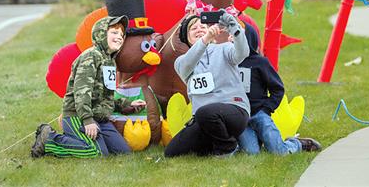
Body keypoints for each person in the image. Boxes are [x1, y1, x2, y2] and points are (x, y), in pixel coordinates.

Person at [31, 16, 145, 158]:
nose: (120, 37)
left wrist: (127, 104)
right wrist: (87, 120)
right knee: (96, 152)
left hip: (100, 118)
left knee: (123, 152)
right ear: (101, 33)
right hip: (78, 115)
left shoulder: (110, 62)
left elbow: (105, 96)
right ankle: (49, 140)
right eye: (114, 32)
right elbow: (81, 91)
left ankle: (78, 139)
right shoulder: (91, 56)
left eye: (122, 34)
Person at [165, 12, 250, 157]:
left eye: (202, 26)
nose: (198, 29)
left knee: (205, 112)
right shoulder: (181, 61)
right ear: (187, 38)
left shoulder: (225, 48)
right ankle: (215, 144)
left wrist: (234, 27)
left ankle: (228, 147)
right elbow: (187, 66)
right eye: (193, 28)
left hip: (234, 111)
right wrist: (205, 40)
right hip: (203, 119)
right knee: (172, 152)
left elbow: (243, 53)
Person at [237, 23, 321, 155]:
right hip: (241, 117)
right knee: (251, 153)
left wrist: (266, 108)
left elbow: (278, 88)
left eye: (239, 35)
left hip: (259, 113)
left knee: (279, 152)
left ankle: (296, 143)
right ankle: (258, 141)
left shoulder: (260, 63)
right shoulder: (229, 61)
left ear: (249, 38)